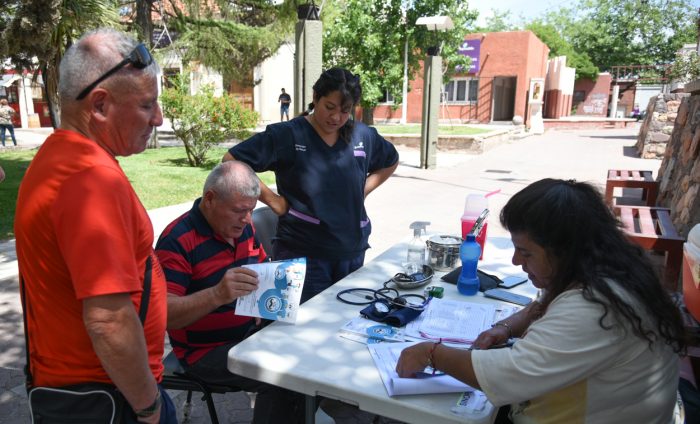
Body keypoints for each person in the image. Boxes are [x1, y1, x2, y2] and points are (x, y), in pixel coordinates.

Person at [396, 178, 685, 423]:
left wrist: (431, 353)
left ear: (564, 250)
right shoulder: (607, 272)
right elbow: (543, 304)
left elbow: (508, 376)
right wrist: (507, 328)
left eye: (527, 252)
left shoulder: (595, 308)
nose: (516, 260)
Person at [14, 28, 175, 423]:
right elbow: (108, 319)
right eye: (147, 105)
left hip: (85, 393)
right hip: (109, 399)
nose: (158, 117)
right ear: (100, 106)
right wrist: (149, 406)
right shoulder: (89, 179)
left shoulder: (59, 156)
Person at [224, 68, 399, 303]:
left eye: (345, 111)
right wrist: (273, 200)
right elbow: (231, 161)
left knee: (345, 323)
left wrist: (363, 190)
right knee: (294, 328)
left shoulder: (362, 135)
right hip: (301, 253)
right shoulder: (287, 135)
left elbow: (390, 160)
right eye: (329, 107)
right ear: (316, 97)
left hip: (351, 252)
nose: (336, 117)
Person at [155, 160, 304, 424]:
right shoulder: (177, 240)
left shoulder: (243, 228)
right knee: (283, 379)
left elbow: (258, 267)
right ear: (210, 199)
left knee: (306, 354)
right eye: (239, 211)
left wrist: (269, 295)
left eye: (251, 210)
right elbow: (164, 315)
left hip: (249, 334)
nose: (247, 219)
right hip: (203, 351)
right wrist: (217, 294)